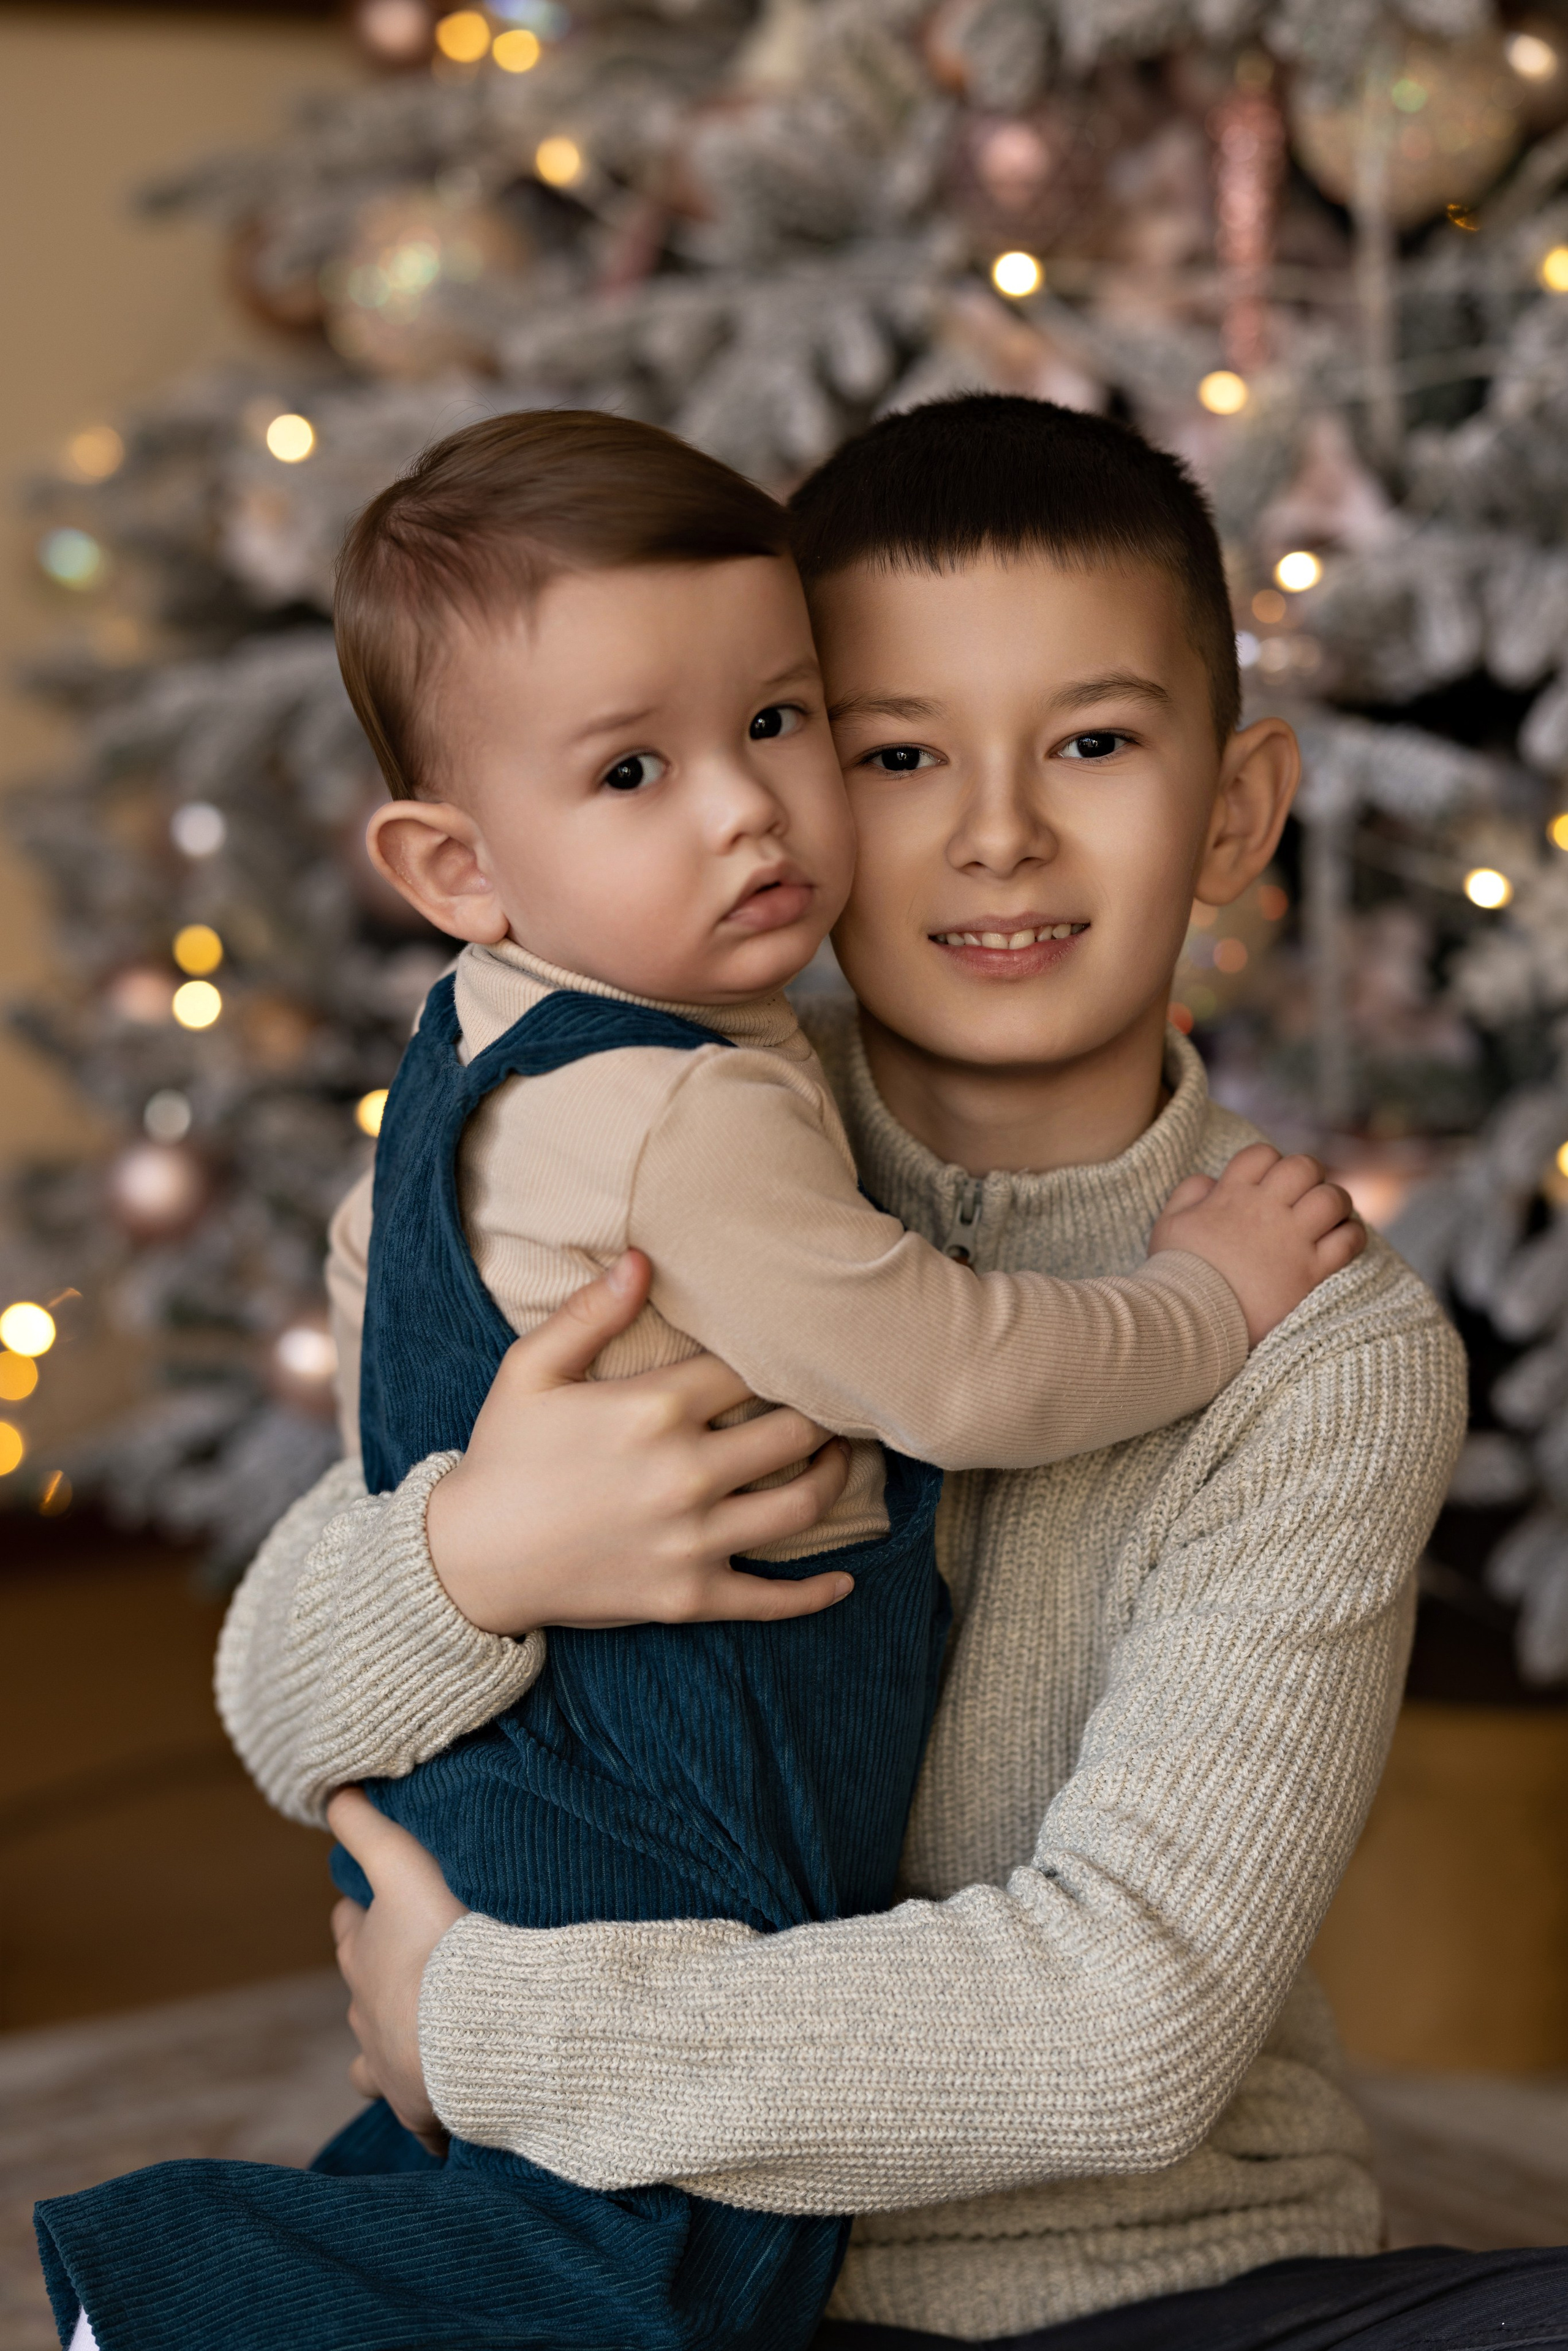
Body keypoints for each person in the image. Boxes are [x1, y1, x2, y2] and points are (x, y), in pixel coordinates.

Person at [34, 406, 1354, 2351]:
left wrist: (473, 2020)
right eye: (893, 748)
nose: (991, 829)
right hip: (661, 1989)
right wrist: (474, 1553)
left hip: (1118, 2271)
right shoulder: (703, 1120)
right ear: (459, 863)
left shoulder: (1327, 1348)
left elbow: (1128, 2036)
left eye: (1091, 742)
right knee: (596, 2261)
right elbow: (279, 1692)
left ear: (1233, 810)